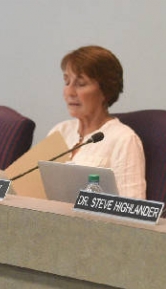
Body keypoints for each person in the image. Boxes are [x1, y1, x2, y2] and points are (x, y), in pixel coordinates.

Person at [47, 45, 146, 199]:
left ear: (105, 91)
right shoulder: (60, 131)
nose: (70, 92)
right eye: (67, 82)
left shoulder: (124, 140)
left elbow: (133, 207)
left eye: (81, 84)